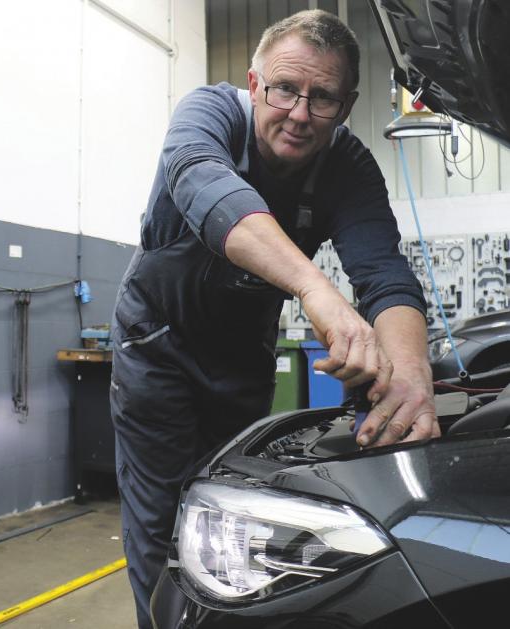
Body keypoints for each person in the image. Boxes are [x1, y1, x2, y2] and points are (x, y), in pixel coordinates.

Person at [109, 9, 441, 628]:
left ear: (347, 106)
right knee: (159, 527)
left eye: (322, 98)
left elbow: (384, 275)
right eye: (285, 89)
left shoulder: (348, 166)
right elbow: (205, 185)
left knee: (231, 519)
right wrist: (315, 290)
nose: (298, 112)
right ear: (255, 83)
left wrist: (412, 372)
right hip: (157, 350)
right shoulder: (208, 115)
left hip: (241, 357)